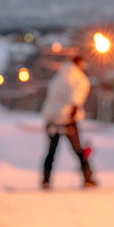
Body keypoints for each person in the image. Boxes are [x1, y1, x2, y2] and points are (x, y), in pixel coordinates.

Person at [40, 53, 98, 189]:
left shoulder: (59, 76)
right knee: (78, 150)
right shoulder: (78, 78)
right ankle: (88, 177)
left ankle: (46, 180)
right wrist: (74, 109)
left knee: (51, 151)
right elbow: (76, 97)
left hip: (52, 118)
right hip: (67, 118)